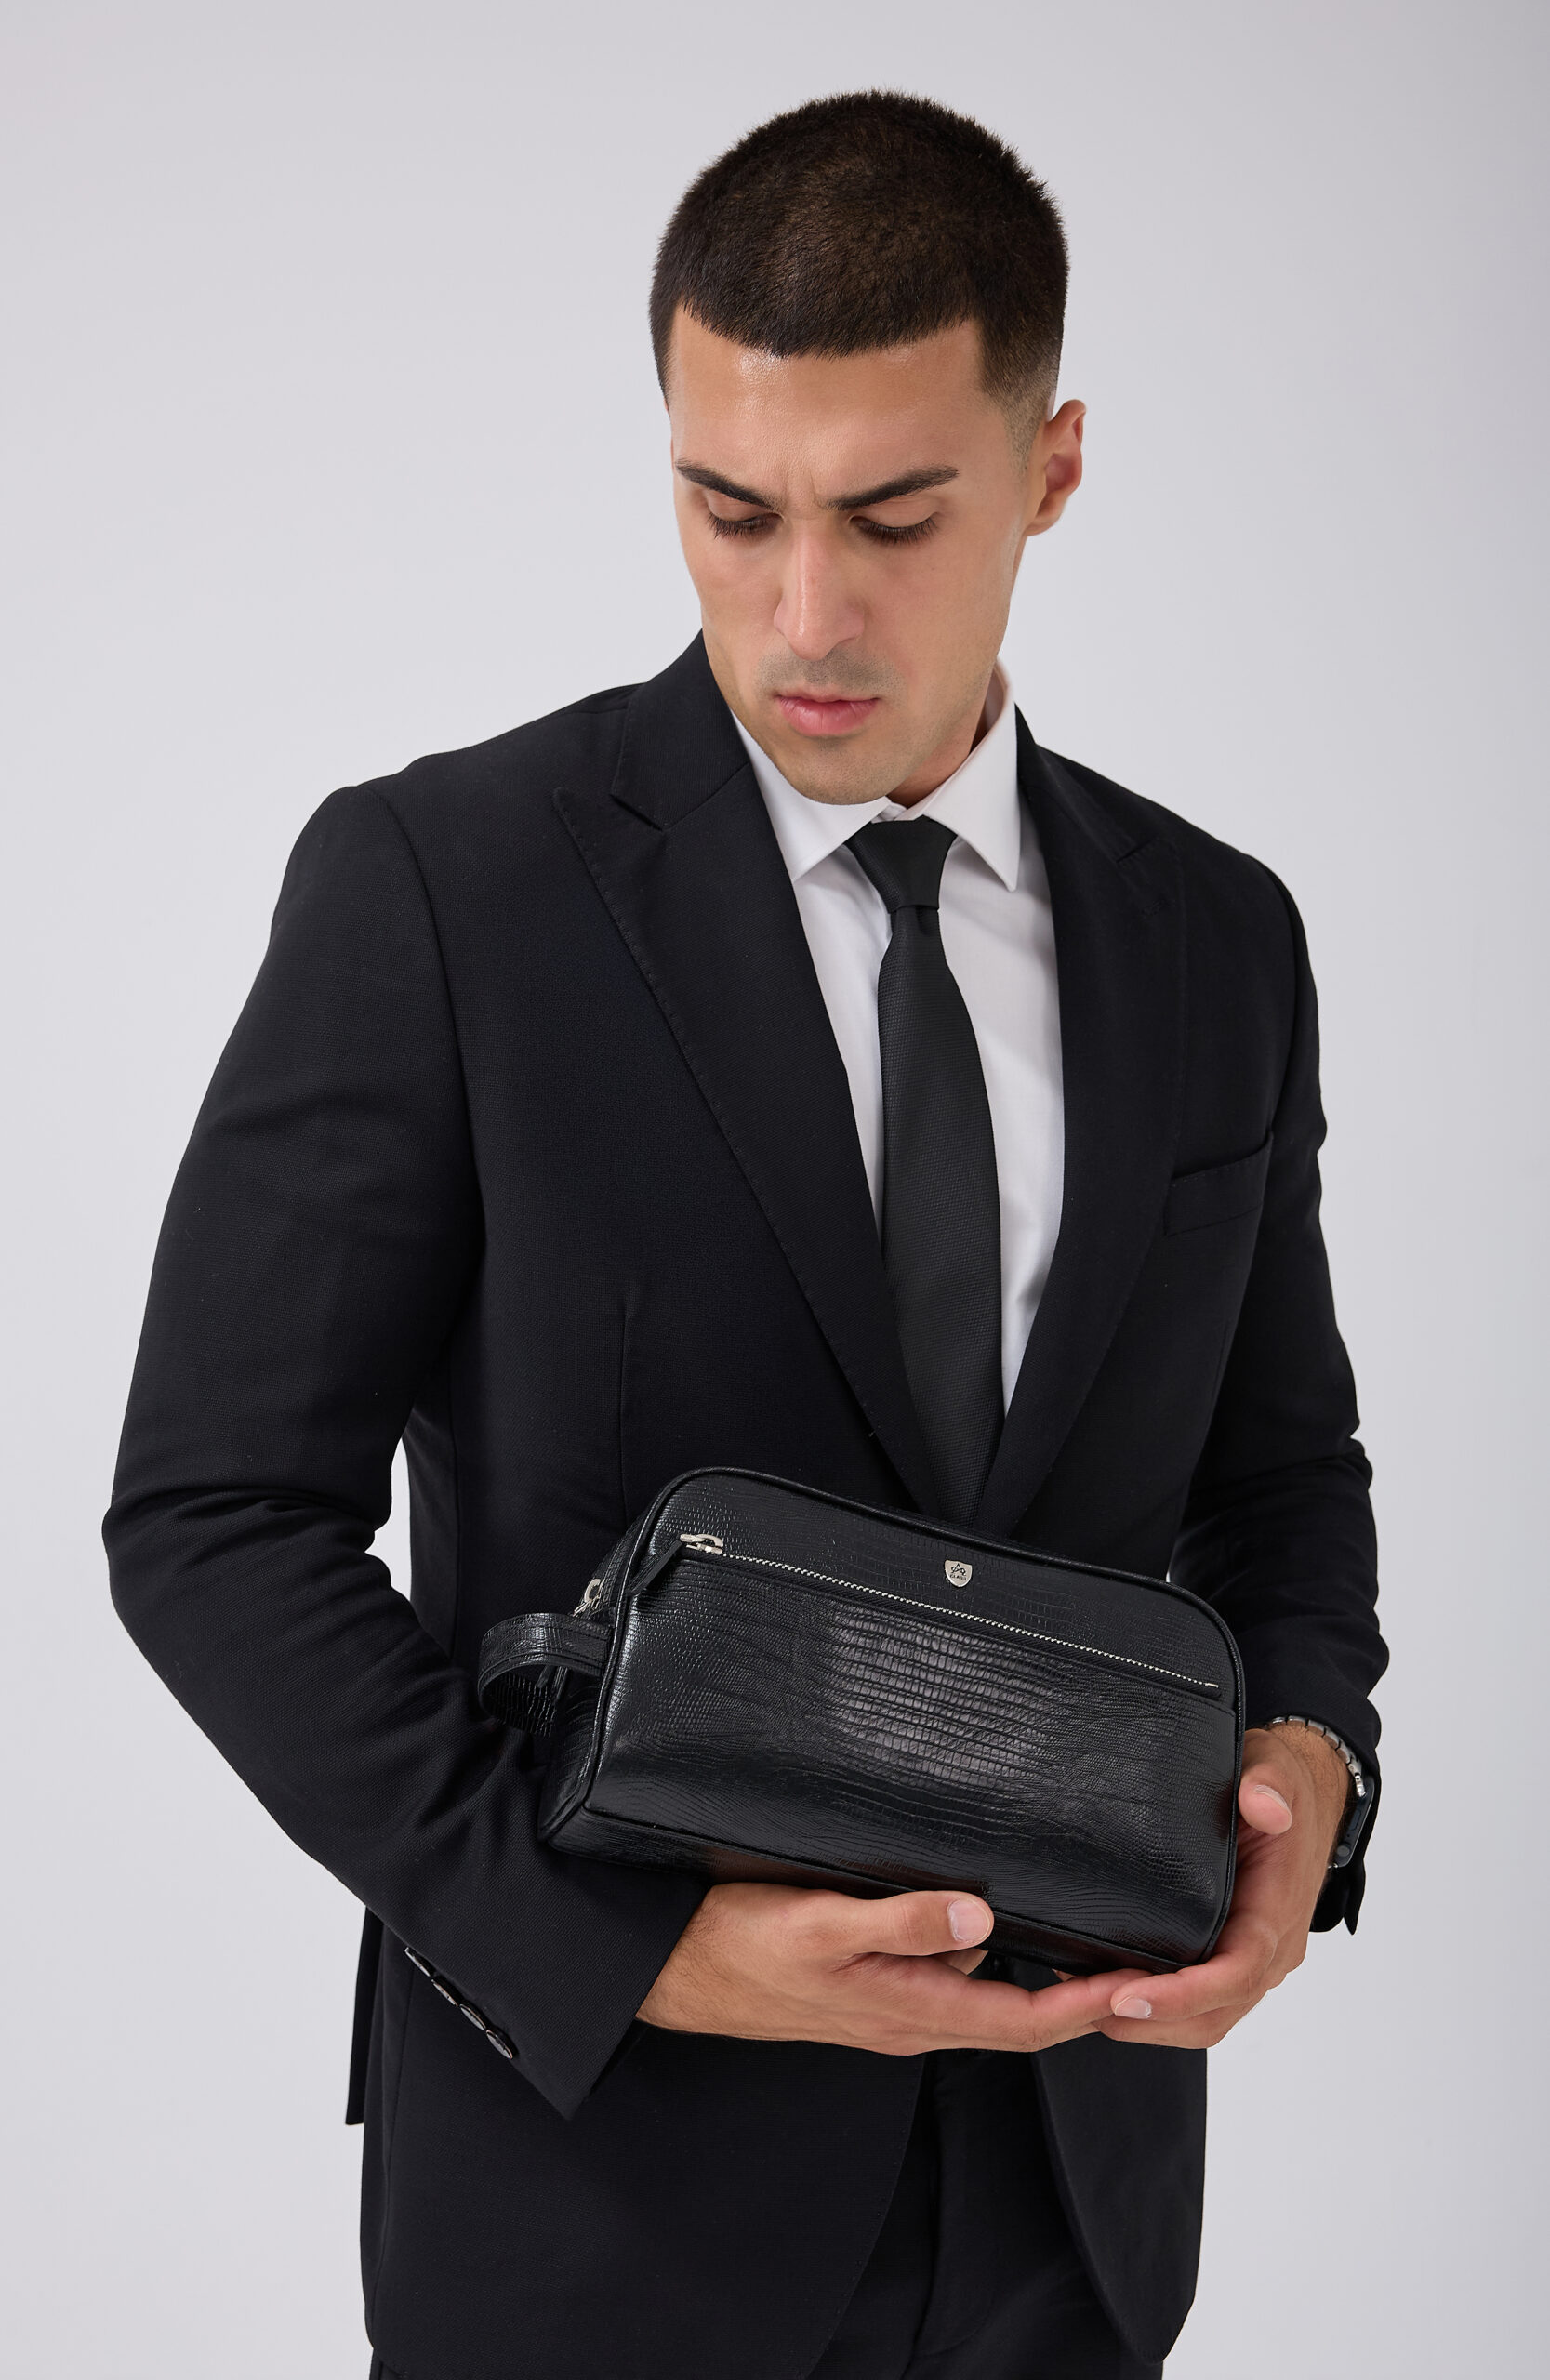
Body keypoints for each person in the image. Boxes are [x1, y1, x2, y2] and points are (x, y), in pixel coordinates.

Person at [105, 91, 1386, 2380]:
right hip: (594, 2200)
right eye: (730, 509)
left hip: (1071, 2199)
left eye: (893, 516)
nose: (805, 611)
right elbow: (211, 1517)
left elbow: (1278, 1474)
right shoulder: (443, 887)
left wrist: (1307, 1761)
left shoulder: (1217, 936)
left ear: (1049, 466)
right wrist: (627, 1947)